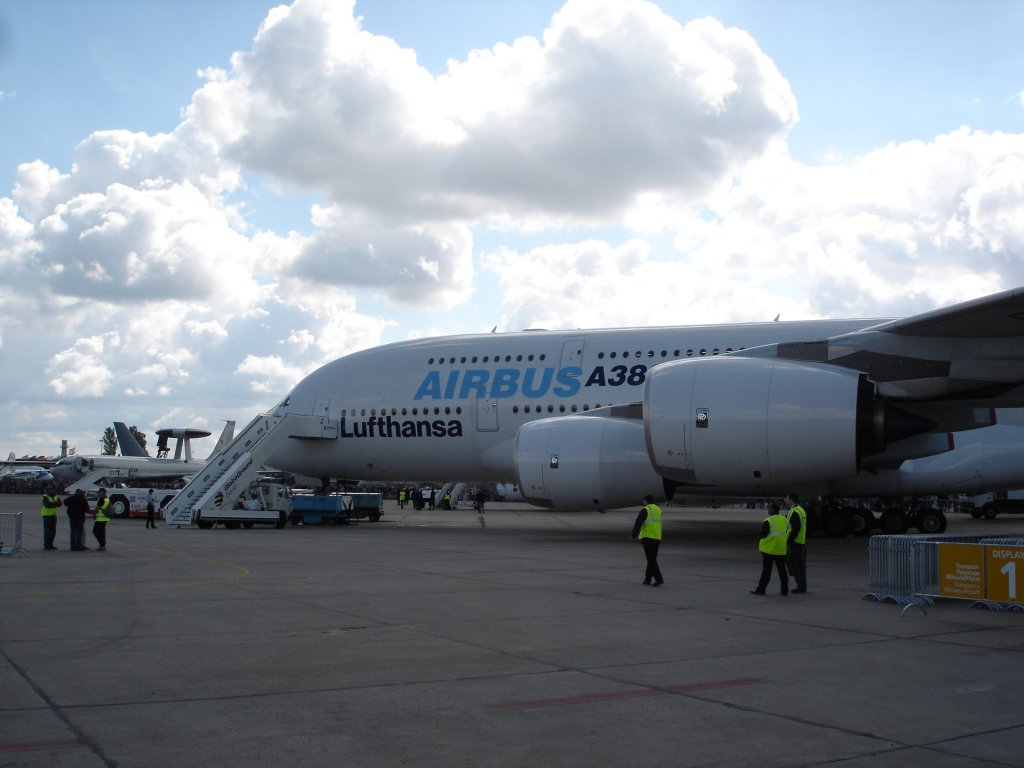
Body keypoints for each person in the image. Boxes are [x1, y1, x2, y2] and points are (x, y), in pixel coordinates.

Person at [751, 502, 789, 596]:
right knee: (782, 570)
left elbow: (763, 534)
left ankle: (761, 589)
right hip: (781, 549)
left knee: (766, 571)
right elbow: (789, 530)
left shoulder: (769, 520)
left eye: (769, 507)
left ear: (773, 509)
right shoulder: (784, 519)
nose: (768, 509)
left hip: (770, 549)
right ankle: (784, 590)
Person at [631, 495, 664, 586]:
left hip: (648, 538)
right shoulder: (658, 510)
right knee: (651, 559)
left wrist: (633, 534)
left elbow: (638, 522)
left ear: (646, 501)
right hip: (657, 537)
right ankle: (647, 579)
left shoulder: (646, 510)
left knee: (651, 560)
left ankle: (659, 578)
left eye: (643, 501)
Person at [786, 493, 808, 594]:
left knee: (794, 565)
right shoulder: (801, 510)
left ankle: (800, 586)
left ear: (791, 500)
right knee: (800, 565)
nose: (786, 500)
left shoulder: (794, 512)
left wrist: (789, 540)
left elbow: (796, 528)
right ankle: (803, 586)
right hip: (801, 541)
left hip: (795, 543)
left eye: (787, 498)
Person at [41, 485, 62, 550]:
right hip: (46, 515)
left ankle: (50, 544)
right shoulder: (45, 496)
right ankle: (46, 545)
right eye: (49, 489)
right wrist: (55, 503)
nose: (50, 491)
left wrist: (52, 503)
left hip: (53, 515)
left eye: (52, 489)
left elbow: (60, 504)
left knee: (53, 531)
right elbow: (47, 505)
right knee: (47, 531)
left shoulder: (56, 496)